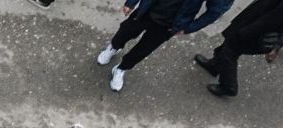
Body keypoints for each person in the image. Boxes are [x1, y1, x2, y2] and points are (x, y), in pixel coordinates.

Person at [96, 0, 236, 93]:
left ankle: (122, 68)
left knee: (144, 49)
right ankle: (113, 47)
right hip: (148, 8)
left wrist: (190, 27)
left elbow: (216, 10)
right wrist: (131, 2)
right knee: (126, 31)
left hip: (170, 24)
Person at [192, 0, 283, 100]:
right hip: (254, 18)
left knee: (231, 50)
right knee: (230, 42)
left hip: (257, 28)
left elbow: (273, 18)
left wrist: (247, 32)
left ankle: (228, 86)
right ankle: (215, 65)